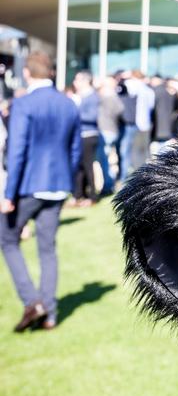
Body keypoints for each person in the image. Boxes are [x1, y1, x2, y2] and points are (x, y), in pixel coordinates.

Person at [1, 51, 81, 331]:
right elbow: (75, 150)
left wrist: (8, 194)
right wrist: (67, 182)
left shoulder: (23, 104)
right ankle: (49, 313)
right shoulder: (68, 104)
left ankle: (31, 301)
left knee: (7, 239)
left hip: (29, 187)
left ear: (27, 73)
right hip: (58, 186)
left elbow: (17, 151)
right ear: (50, 72)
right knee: (47, 249)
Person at [72, 70, 100, 206]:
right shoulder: (81, 96)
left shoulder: (92, 97)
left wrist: (75, 111)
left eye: (77, 80)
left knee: (88, 166)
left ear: (85, 81)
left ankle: (93, 197)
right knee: (80, 167)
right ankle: (78, 195)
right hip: (81, 135)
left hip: (89, 135)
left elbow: (93, 117)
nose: (74, 83)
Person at [96, 74, 123, 196]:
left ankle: (108, 185)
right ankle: (109, 183)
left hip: (105, 131)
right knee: (107, 159)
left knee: (104, 161)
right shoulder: (115, 98)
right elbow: (120, 111)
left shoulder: (104, 97)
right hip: (112, 130)